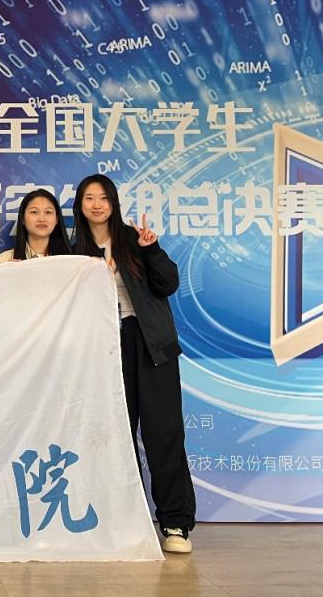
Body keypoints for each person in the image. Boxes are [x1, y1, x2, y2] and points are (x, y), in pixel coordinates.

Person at [71, 173, 196, 554]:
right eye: (89, 198)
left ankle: (175, 524)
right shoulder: (73, 249)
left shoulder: (133, 240)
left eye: (103, 198)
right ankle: (127, 522)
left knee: (163, 434)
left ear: (113, 203)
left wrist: (152, 250)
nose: (97, 205)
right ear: (79, 205)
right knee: (114, 436)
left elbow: (168, 284)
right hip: (103, 348)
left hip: (150, 344)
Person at [0, 188, 71, 264]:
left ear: (56, 219)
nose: (42, 219)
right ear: (23, 218)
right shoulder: (4, 260)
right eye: (34, 212)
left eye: (48, 212)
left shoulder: (70, 260)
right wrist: (7, 270)